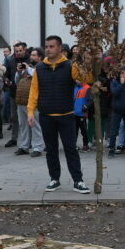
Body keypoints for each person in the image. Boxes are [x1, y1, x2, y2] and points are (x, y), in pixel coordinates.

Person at [29, 35, 90, 193]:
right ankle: (54, 179)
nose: (48, 49)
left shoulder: (70, 66)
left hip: (67, 115)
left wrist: (87, 64)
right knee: (51, 149)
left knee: (70, 148)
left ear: (60, 48)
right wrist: (30, 112)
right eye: (47, 46)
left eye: (51, 46)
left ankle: (78, 181)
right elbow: (34, 91)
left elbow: (86, 79)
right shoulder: (40, 68)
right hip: (46, 115)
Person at [15, 47, 44, 157]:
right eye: (31, 55)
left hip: (33, 103)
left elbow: (39, 77)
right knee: (23, 125)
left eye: (33, 55)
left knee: (35, 125)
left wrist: (28, 69)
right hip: (21, 101)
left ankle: (37, 147)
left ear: (39, 57)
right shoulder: (29, 68)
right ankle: (24, 146)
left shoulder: (41, 67)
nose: (31, 57)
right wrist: (19, 72)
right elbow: (16, 81)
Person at [109, 66, 125, 156]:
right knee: (114, 130)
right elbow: (115, 93)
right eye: (122, 73)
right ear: (119, 74)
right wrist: (121, 84)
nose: (124, 75)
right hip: (117, 110)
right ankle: (111, 148)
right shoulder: (114, 83)